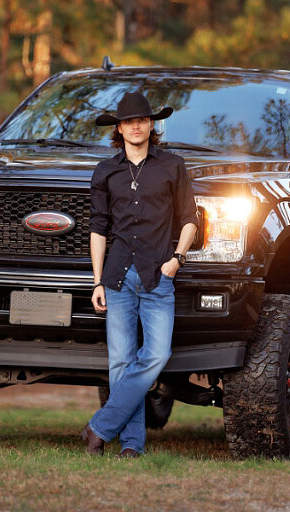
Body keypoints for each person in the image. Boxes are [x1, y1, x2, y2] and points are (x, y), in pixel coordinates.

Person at [82, 91, 199, 458]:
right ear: (119, 128)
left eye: (143, 120)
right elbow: (99, 229)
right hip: (116, 277)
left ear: (152, 125)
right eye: (129, 121)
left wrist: (176, 260)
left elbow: (190, 219)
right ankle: (132, 446)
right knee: (120, 362)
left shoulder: (172, 166)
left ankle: (99, 427)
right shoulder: (106, 171)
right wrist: (97, 280)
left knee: (156, 356)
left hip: (158, 276)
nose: (136, 126)